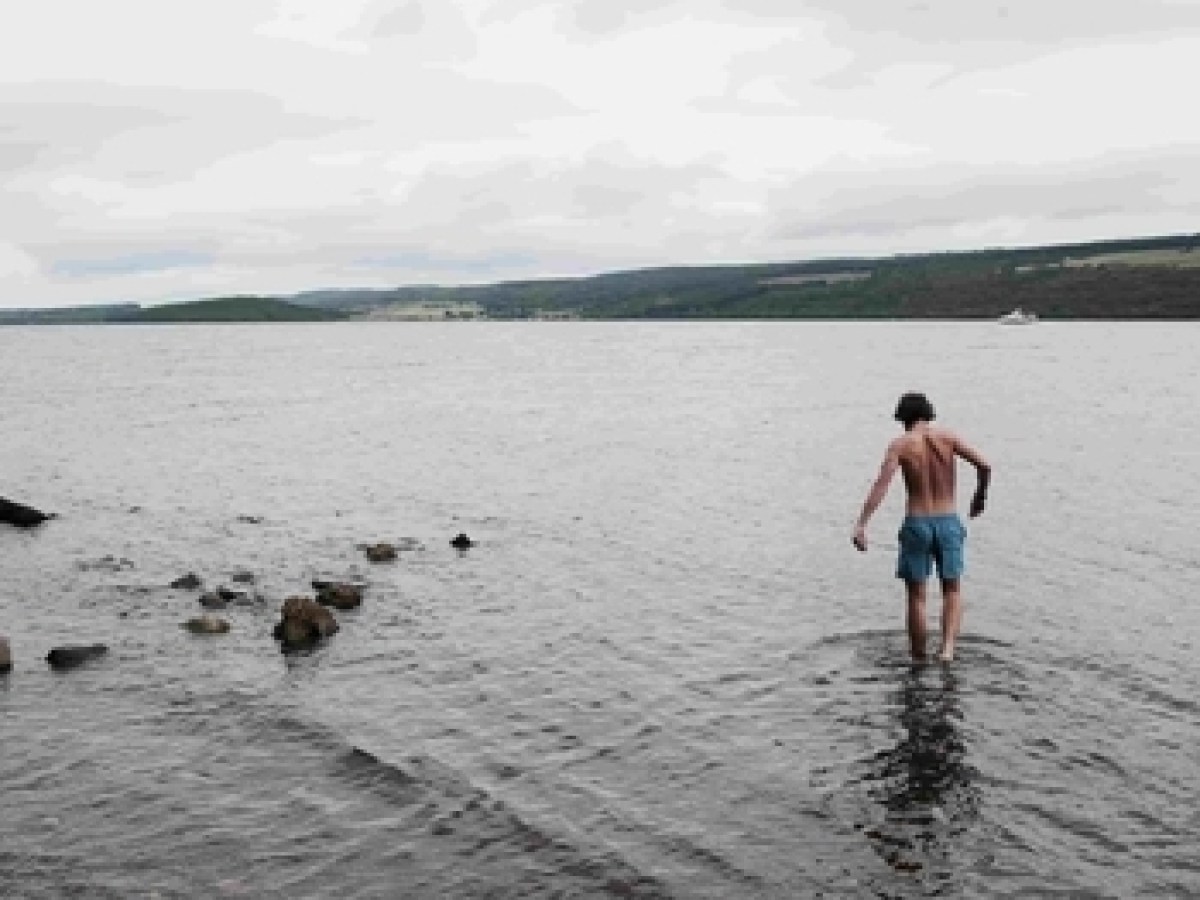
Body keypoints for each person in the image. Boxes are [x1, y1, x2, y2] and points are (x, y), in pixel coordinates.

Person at [852, 393, 990, 662]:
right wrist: (979, 496)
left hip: (917, 523)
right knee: (952, 589)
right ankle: (948, 650)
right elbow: (985, 465)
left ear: (903, 418)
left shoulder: (900, 445)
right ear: (928, 414)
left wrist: (862, 524)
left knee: (916, 596)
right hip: (948, 521)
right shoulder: (948, 438)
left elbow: (881, 485)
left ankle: (919, 658)